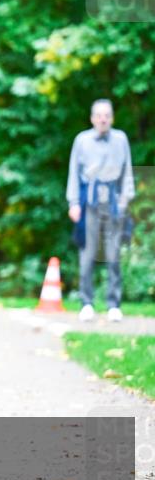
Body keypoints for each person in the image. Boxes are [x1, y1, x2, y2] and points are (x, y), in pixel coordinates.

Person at [66, 99, 135, 323]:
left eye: (107, 115)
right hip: (89, 203)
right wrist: (74, 202)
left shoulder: (120, 139)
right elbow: (73, 172)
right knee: (87, 256)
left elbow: (127, 171)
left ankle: (114, 304)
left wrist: (125, 200)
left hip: (114, 203)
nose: (103, 119)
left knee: (113, 255)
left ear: (112, 118)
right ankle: (86, 303)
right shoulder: (82, 140)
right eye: (99, 115)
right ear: (92, 118)